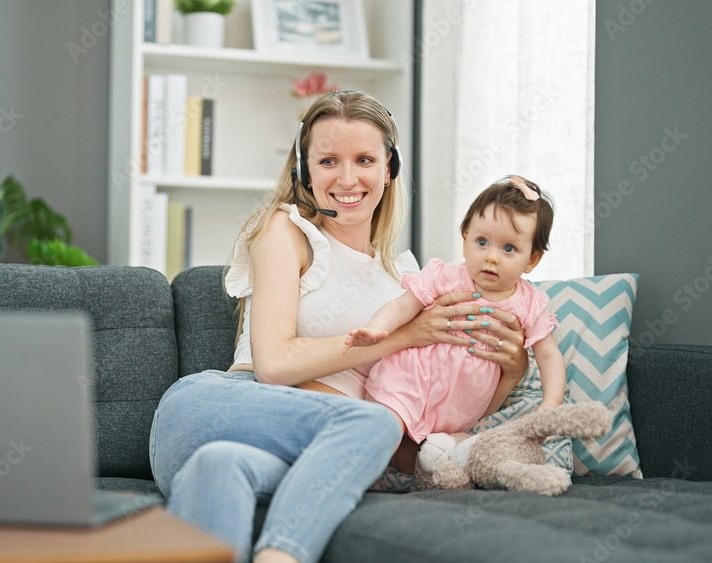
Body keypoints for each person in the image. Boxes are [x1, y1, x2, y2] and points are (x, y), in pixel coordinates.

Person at [148, 91, 530, 563]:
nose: (347, 178)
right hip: (222, 405)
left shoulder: (406, 275)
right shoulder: (288, 231)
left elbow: (439, 408)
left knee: (222, 466)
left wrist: (511, 371)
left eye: (364, 159)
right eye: (328, 160)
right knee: (373, 424)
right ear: (304, 172)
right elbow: (273, 364)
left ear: (389, 169)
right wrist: (408, 335)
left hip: (309, 448)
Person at [343, 176, 566, 445]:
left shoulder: (530, 303)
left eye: (509, 248)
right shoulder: (446, 276)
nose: (491, 256)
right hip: (408, 382)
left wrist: (551, 403)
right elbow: (403, 306)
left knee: (442, 457)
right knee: (381, 435)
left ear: (531, 259)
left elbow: (550, 358)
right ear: (465, 239)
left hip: (460, 409)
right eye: (482, 242)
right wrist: (377, 329)